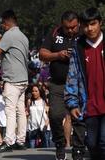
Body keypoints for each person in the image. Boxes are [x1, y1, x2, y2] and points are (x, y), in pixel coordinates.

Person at [65, 7, 105, 160]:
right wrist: (72, 103)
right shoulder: (78, 47)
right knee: (92, 143)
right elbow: (72, 77)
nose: (90, 28)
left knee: (103, 142)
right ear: (81, 26)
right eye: (86, 25)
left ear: (100, 23)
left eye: (93, 24)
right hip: (89, 105)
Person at [39, 11, 79, 160]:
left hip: (78, 85)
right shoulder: (55, 33)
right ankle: (60, 145)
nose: (70, 30)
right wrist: (58, 55)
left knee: (79, 119)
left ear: (78, 24)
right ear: (62, 25)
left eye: (73, 27)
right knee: (55, 115)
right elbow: (42, 54)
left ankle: (78, 148)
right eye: (67, 27)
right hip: (57, 83)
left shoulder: (82, 34)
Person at [0, 10, 29, 151]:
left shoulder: (9, 35)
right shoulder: (23, 36)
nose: (2, 26)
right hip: (23, 78)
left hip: (12, 79)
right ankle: (21, 140)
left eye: (3, 23)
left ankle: (8, 141)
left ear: (7, 22)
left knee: (10, 111)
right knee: (20, 111)